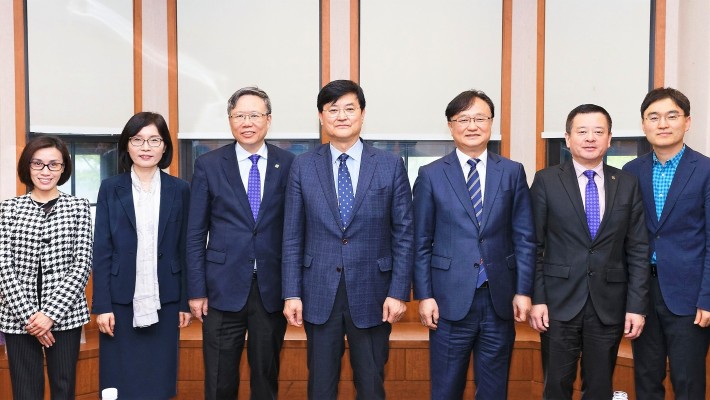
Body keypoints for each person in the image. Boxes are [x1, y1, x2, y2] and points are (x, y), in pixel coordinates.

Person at [282, 79, 414, 400]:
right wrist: (291, 293)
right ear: (321, 116)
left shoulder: (389, 165)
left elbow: (404, 235)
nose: (341, 116)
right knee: (321, 387)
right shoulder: (303, 166)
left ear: (363, 114)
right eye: (333, 109)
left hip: (374, 292)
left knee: (370, 385)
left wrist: (399, 292)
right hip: (318, 291)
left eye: (349, 108)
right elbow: (292, 235)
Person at [412, 89, 536, 399]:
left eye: (480, 118)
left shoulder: (511, 172)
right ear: (450, 126)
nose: (472, 125)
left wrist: (523, 289)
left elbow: (524, 237)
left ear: (491, 123)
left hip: (499, 298)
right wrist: (424, 295)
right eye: (463, 119)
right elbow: (421, 242)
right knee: (446, 389)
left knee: (494, 389)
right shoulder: (430, 175)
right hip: (448, 299)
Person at [529, 104, 650, 399]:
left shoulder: (627, 183)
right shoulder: (546, 181)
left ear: (610, 139)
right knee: (556, 385)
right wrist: (538, 298)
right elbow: (533, 245)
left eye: (599, 131)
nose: (590, 138)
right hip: (558, 304)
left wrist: (636, 306)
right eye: (582, 131)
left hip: (608, 305)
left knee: (599, 388)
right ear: (568, 139)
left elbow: (637, 249)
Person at [187, 87, 294, 399]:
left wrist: (293, 290)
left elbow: (295, 231)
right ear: (230, 120)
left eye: (254, 115)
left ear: (268, 120)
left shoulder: (289, 163)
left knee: (265, 378)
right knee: (219, 380)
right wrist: (196, 290)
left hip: (271, 290)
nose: (247, 122)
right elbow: (195, 232)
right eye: (239, 116)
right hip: (221, 290)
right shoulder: (208, 164)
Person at [92, 112, 192, 399]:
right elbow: (102, 249)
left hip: (167, 299)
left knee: (160, 381)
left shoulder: (181, 189)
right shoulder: (111, 188)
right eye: (137, 140)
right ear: (127, 146)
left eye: (154, 140)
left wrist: (184, 301)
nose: (145, 147)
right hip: (121, 302)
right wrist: (102, 305)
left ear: (165, 147)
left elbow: (186, 248)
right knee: (119, 381)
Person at [623, 87, 710, 400]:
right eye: (653, 117)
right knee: (646, 380)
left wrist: (707, 297)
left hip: (689, 297)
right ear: (644, 125)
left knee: (688, 383)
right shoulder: (631, 172)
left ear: (686, 122)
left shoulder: (705, 170)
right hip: (643, 294)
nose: (662, 124)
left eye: (671, 116)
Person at [0, 135, 92, 399]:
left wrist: (49, 315)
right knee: (26, 390)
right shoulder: (8, 209)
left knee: (64, 388)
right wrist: (32, 318)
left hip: (65, 316)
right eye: (38, 164)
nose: (45, 171)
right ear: (27, 167)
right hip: (18, 318)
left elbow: (82, 265)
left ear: (63, 168)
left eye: (54, 164)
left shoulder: (78, 208)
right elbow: (4, 268)